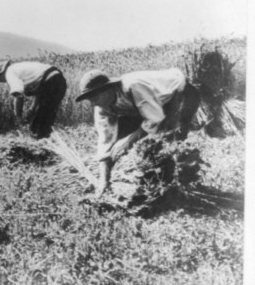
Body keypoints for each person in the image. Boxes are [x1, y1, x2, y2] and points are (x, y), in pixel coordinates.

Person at [75, 68, 200, 196]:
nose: (92, 104)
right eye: (89, 99)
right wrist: (104, 181)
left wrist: (128, 141)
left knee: (172, 140)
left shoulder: (134, 87)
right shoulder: (101, 108)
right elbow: (105, 142)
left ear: (107, 89)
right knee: (141, 142)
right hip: (153, 105)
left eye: (94, 97)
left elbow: (155, 119)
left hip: (180, 92)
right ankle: (161, 180)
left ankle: (185, 183)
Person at [0, 60, 67, 139]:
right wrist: (32, 109)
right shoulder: (17, 68)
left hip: (51, 82)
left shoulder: (9, 73)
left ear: (0, 72)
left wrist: (18, 117)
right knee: (44, 122)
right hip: (59, 81)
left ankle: (40, 143)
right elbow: (40, 91)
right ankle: (47, 142)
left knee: (37, 127)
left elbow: (18, 95)